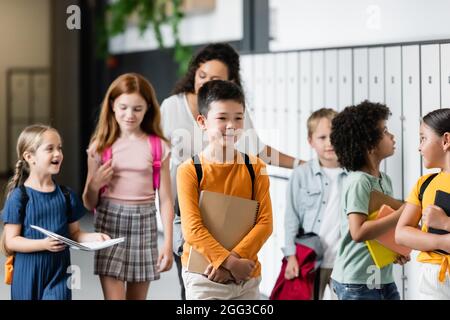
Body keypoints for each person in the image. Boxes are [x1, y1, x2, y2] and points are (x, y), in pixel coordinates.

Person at [160, 42, 302, 299]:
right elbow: (153, 157)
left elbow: (260, 153)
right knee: (195, 278)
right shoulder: (173, 111)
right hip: (188, 210)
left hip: (234, 222)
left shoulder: (249, 152)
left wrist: (302, 164)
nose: (205, 83)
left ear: (230, 80)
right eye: (201, 76)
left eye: (215, 78)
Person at [177, 80, 273, 299]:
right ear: (202, 122)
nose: (231, 125)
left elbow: (265, 223)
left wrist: (236, 262)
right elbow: (192, 229)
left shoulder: (256, 168)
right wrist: (229, 262)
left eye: (238, 118)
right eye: (222, 118)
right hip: (204, 277)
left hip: (246, 276)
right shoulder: (190, 170)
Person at [82, 73, 174, 300]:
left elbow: (165, 199)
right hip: (109, 224)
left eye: (137, 108)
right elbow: (88, 201)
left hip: (145, 223)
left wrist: (169, 244)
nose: (129, 115)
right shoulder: (100, 147)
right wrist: (95, 185)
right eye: (123, 107)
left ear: (148, 109)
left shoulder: (158, 147)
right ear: (112, 106)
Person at [0, 124, 110, 300]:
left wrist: (95, 237)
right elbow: (11, 241)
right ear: (30, 157)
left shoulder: (66, 196)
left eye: (59, 148)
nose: (58, 154)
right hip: (27, 274)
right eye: (50, 149)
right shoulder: (19, 198)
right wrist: (43, 245)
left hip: (59, 273)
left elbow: (74, 233)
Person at [329, 100, 409, 300]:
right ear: (368, 145)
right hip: (356, 282)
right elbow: (358, 232)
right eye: (385, 131)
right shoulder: (358, 182)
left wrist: (395, 250)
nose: (392, 136)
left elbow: (380, 226)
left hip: (381, 277)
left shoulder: (385, 181)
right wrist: (401, 214)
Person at [283, 108, 346, 299]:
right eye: (322, 137)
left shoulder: (353, 175)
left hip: (343, 262)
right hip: (310, 260)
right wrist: (290, 255)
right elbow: (291, 217)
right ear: (311, 141)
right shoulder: (301, 174)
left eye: (334, 136)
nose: (329, 142)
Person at [396, 108, 450, 299]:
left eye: (423, 138)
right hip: (433, 278)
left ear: (446, 140)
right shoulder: (424, 184)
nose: (419, 147)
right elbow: (401, 233)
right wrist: (443, 241)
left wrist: (445, 223)